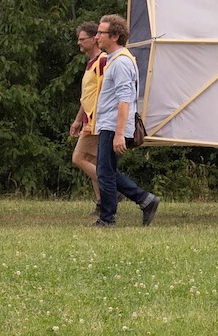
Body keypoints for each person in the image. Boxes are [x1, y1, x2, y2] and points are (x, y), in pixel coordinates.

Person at [91, 14, 160, 228]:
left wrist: (120, 133)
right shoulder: (116, 60)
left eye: (101, 33)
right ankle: (145, 200)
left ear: (115, 36)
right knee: (106, 172)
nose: (97, 37)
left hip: (114, 126)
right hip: (110, 125)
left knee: (105, 173)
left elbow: (124, 100)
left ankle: (108, 218)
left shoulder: (121, 63)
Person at [68, 22, 106, 191]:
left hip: (96, 121)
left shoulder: (102, 61)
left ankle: (115, 188)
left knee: (78, 158)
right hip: (88, 119)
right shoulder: (91, 62)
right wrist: (78, 120)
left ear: (93, 39)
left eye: (82, 39)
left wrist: (93, 120)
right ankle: (102, 203)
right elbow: (87, 97)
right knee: (92, 161)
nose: (79, 43)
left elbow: (103, 94)